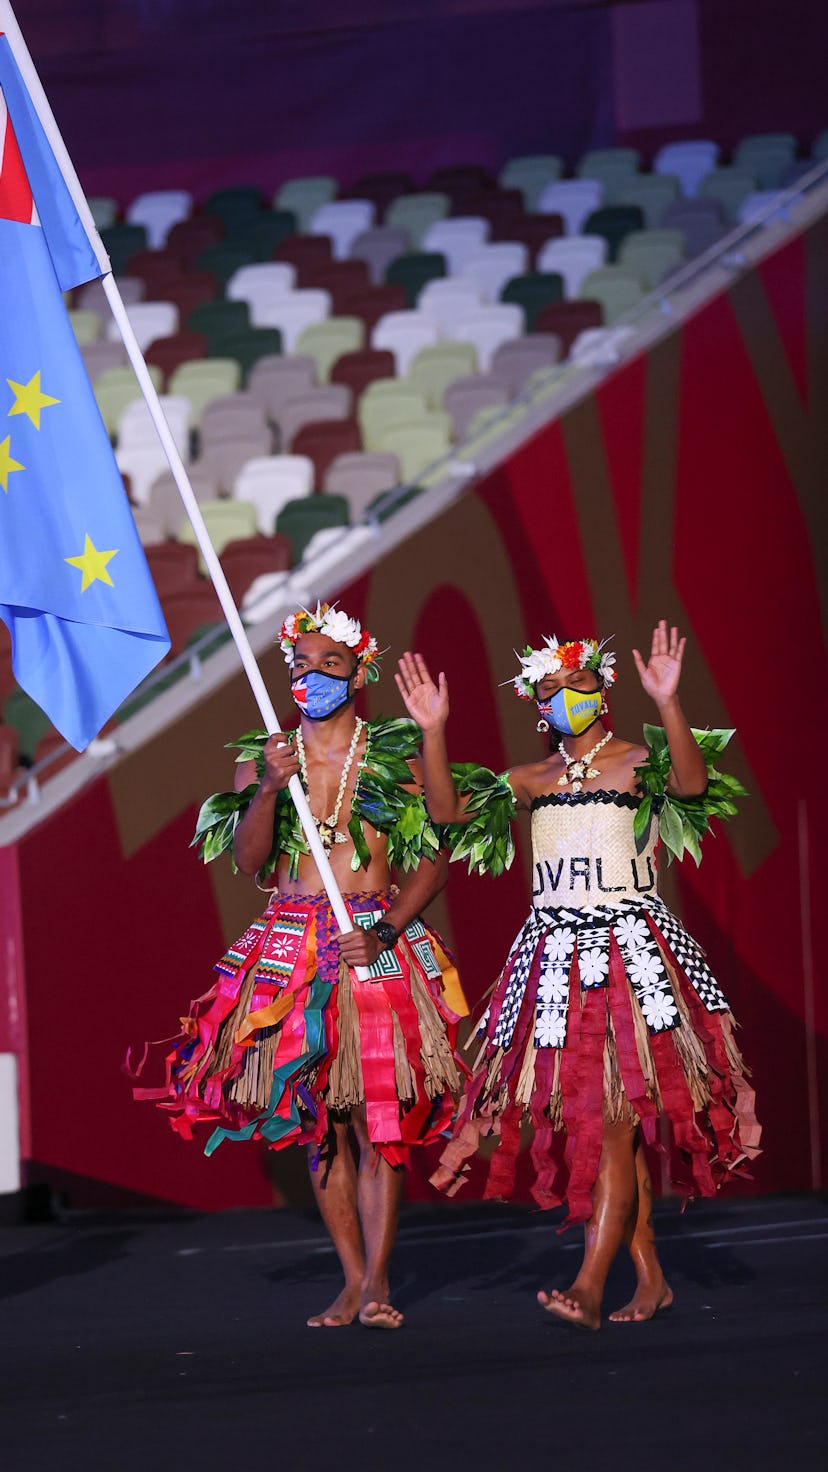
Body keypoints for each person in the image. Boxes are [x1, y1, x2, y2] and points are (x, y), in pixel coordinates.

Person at [396, 621, 760, 1331]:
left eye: (578, 685)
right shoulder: (529, 781)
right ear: (536, 706)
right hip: (555, 960)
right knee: (595, 1118)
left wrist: (669, 702)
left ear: (603, 691)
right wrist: (433, 730)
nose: (566, 697)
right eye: (551, 690)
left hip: (631, 956)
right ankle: (650, 1278)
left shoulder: (635, 762)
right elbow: (447, 812)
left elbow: (690, 785)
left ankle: (590, 1285)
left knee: (613, 1123)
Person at [135, 603, 466, 1330]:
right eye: (302, 665)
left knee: (379, 1114)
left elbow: (442, 843)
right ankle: (352, 1280)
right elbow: (250, 863)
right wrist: (264, 788)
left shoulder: (391, 752)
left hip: (374, 936)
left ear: (359, 673)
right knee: (318, 1121)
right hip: (290, 946)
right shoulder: (267, 753)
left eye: (331, 665)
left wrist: (389, 930)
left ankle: (380, 1281)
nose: (312, 676)